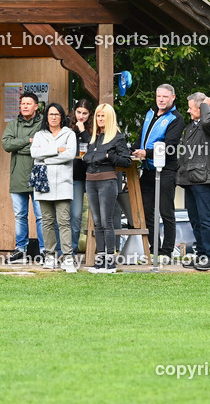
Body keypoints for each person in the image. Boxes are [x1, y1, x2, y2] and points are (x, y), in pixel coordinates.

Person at [131, 84, 184, 258]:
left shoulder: (176, 118)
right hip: (147, 169)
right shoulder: (150, 113)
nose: (161, 99)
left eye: (165, 97)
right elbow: (142, 137)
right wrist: (132, 150)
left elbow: (170, 146)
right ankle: (153, 248)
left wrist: (147, 153)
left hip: (166, 170)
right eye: (159, 96)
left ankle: (167, 251)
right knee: (147, 211)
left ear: (173, 97)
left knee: (166, 211)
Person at [177, 92, 210, 271]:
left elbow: (208, 121)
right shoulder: (191, 128)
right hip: (189, 179)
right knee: (195, 220)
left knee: (205, 219)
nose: (189, 112)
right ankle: (202, 255)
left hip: (204, 179)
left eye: (192, 108)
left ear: (201, 108)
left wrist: (206, 105)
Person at [83, 104, 132, 274]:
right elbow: (87, 158)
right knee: (97, 222)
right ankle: (100, 260)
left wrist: (108, 156)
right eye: (98, 116)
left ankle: (110, 262)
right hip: (90, 181)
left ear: (109, 117)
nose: (100, 119)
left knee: (106, 221)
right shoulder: (95, 137)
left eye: (103, 116)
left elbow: (126, 161)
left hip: (107, 181)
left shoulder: (117, 137)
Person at [31, 103, 77, 272]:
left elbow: (70, 154)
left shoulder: (69, 134)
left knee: (64, 222)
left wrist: (46, 158)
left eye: (57, 114)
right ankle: (50, 255)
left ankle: (67, 257)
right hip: (44, 184)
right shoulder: (39, 134)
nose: (54, 117)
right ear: (46, 117)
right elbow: (34, 153)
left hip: (63, 184)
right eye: (51, 114)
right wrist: (57, 149)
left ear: (62, 116)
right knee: (47, 222)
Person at [2, 91, 45, 263]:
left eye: (29, 104)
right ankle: (20, 250)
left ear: (36, 106)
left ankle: (44, 251)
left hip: (38, 176)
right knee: (20, 216)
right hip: (17, 176)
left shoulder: (43, 123)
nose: (25, 106)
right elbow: (6, 144)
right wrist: (28, 140)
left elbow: (43, 145)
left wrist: (19, 145)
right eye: (23, 104)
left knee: (41, 216)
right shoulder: (13, 124)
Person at [68, 99, 93, 257]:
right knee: (75, 214)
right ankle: (72, 250)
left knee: (97, 216)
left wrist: (83, 131)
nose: (81, 116)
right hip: (75, 176)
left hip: (92, 175)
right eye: (79, 112)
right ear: (74, 112)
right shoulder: (68, 128)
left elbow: (93, 148)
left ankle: (99, 250)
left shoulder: (94, 128)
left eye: (85, 113)